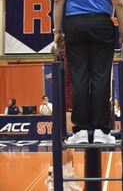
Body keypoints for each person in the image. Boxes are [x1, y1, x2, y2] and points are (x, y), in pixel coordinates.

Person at [53, 0, 123, 144]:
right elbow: (120, 3)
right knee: (100, 78)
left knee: (78, 78)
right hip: (101, 24)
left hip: (75, 24)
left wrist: (57, 31)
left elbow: (58, 0)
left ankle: (79, 130)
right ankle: (101, 130)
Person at [45, 44, 82, 191]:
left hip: (73, 102)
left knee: (69, 144)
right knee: (65, 143)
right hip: (67, 102)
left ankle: (69, 176)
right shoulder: (64, 59)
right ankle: (53, 178)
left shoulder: (68, 60)